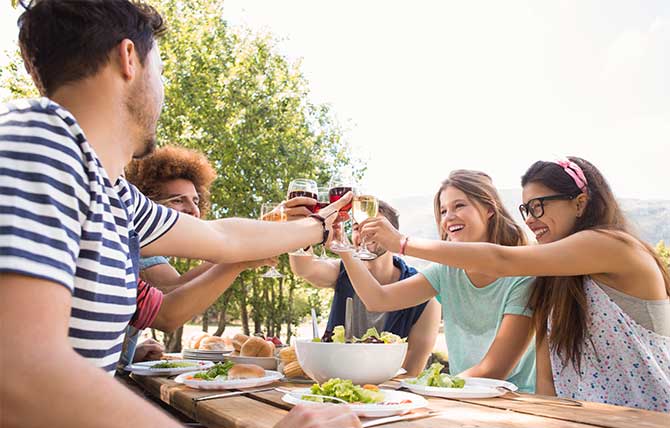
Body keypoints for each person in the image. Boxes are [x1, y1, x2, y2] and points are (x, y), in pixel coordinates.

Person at [0, 1, 356, 427]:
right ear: (129, 58)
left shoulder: (115, 194)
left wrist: (318, 225)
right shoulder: (41, 136)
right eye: (162, 70)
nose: (163, 88)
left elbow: (225, 238)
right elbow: (19, 373)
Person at [360, 158, 670, 412]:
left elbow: (502, 260)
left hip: (646, 416)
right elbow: (549, 378)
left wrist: (400, 242)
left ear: (580, 203)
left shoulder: (613, 246)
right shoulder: (555, 277)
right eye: (526, 209)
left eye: (539, 206)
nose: (531, 219)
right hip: (585, 416)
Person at [335, 171, 537, 392]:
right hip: (459, 396)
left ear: (489, 209)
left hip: (515, 402)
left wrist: (429, 389)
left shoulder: (523, 275)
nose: (448, 217)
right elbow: (378, 299)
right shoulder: (445, 271)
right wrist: (344, 248)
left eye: (459, 206)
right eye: (443, 211)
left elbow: (494, 370)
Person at [118, 145, 275, 367]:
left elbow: (176, 288)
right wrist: (240, 253)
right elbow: (170, 296)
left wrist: (130, 352)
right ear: (148, 206)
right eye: (178, 200)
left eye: (196, 200)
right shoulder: (138, 248)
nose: (193, 210)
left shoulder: (155, 254)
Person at [288, 198, 441, 376]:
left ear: (393, 234)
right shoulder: (342, 271)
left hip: (385, 396)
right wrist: (301, 226)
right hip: (335, 384)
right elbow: (304, 268)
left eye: (373, 226)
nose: (364, 232)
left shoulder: (425, 297)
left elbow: (410, 371)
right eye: (356, 227)